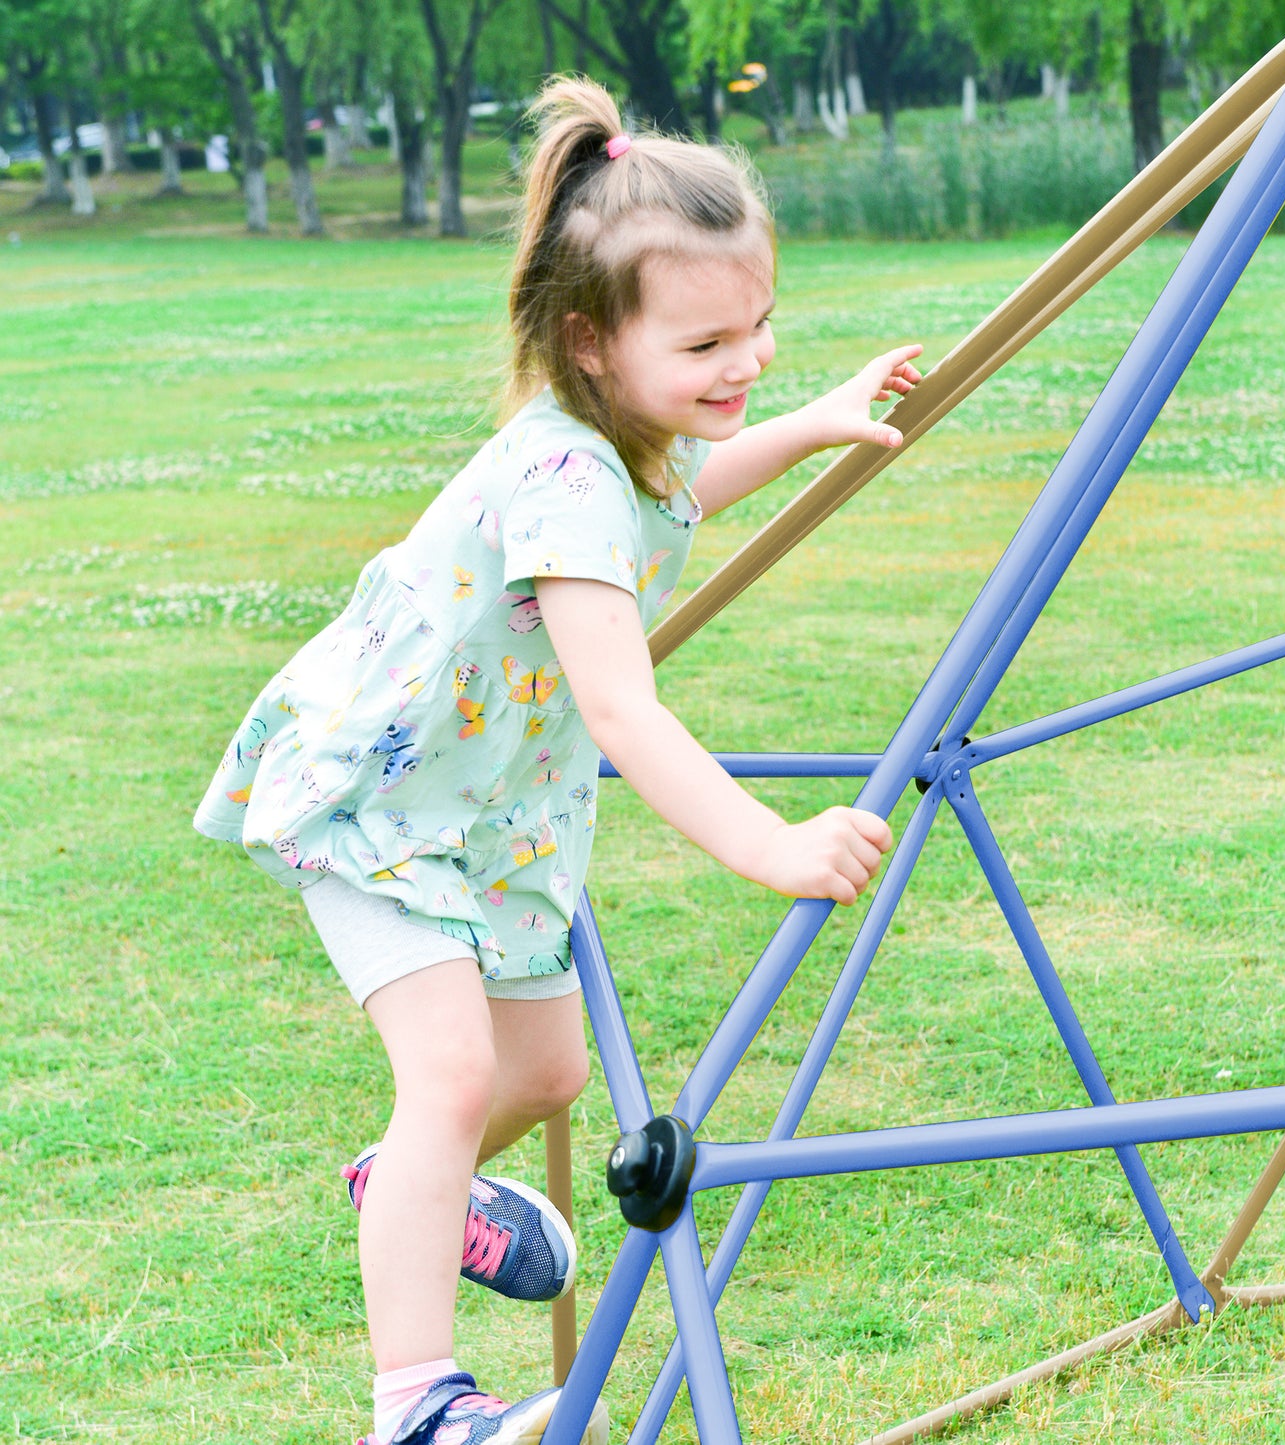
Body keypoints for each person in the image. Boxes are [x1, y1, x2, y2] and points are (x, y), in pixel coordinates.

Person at [195, 74, 920, 1445]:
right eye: (708, 338)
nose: (743, 359)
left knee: (546, 1077)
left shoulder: (624, 451)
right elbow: (625, 709)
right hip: (386, 801)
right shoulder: (563, 473)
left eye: (758, 326)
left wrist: (809, 417)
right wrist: (767, 846)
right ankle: (413, 1406)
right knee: (456, 1076)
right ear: (589, 341)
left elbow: (676, 496)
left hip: (491, 813)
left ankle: (416, 1185)